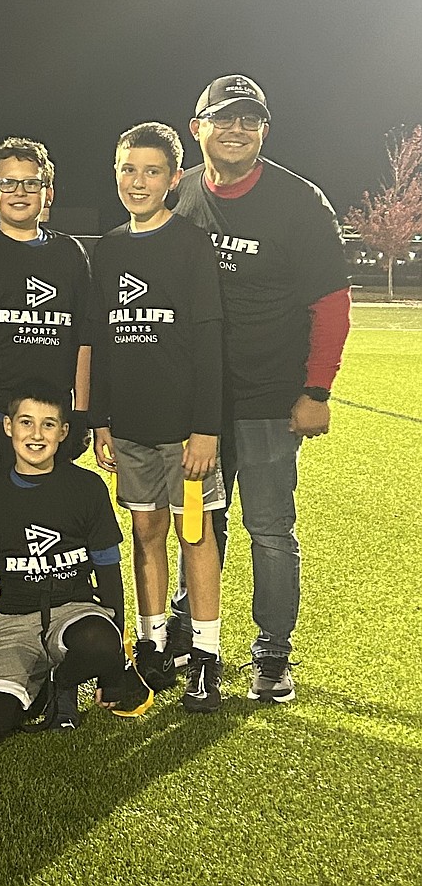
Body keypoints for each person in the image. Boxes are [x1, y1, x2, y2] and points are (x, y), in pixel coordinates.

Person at [171, 75, 351, 703]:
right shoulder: (180, 192)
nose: (237, 129)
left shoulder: (299, 202)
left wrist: (317, 390)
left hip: (272, 400)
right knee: (199, 525)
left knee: (270, 529)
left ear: (264, 131)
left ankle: (272, 656)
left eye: (250, 119)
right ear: (198, 129)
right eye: (224, 118)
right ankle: (191, 634)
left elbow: (331, 303)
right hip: (200, 406)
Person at [0, 138, 92, 669]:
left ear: (47, 193)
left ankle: (55, 633)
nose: (20, 191)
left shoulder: (70, 254)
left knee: (51, 531)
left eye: (31, 182)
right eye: (9, 182)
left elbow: (84, 341)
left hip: (49, 427)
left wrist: (82, 414)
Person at [89, 122, 227, 712]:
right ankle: (151, 643)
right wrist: (100, 422)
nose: (138, 181)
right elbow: (101, 338)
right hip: (130, 429)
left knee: (193, 533)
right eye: (128, 169)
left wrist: (206, 428)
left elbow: (209, 339)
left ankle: (205, 655)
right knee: (145, 531)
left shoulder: (192, 244)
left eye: (151, 171)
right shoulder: (112, 247)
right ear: (115, 174)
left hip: (184, 433)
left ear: (174, 179)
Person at [0, 383, 152, 744]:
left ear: (63, 432)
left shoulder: (87, 487)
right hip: (13, 620)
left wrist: (113, 665)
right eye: (26, 422)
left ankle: (64, 683)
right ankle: (39, 687)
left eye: (48, 425)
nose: (36, 434)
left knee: (97, 640)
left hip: (73, 610)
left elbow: (109, 574)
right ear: (8, 427)